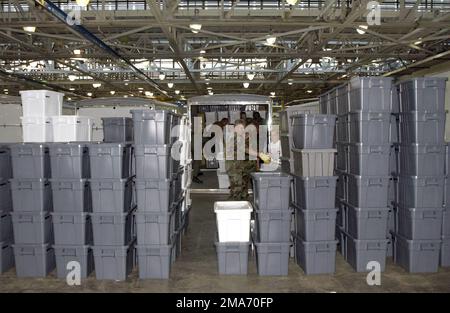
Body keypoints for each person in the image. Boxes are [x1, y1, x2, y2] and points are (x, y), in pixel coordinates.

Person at [225, 119, 269, 200]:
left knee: (244, 191)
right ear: (235, 128)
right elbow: (246, 149)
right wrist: (260, 154)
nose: (242, 130)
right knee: (236, 191)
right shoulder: (234, 138)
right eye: (239, 128)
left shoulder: (243, 136)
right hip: (234, 169)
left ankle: (244, 208)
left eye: (243, 128)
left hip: (242, 168)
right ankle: (233, 209)